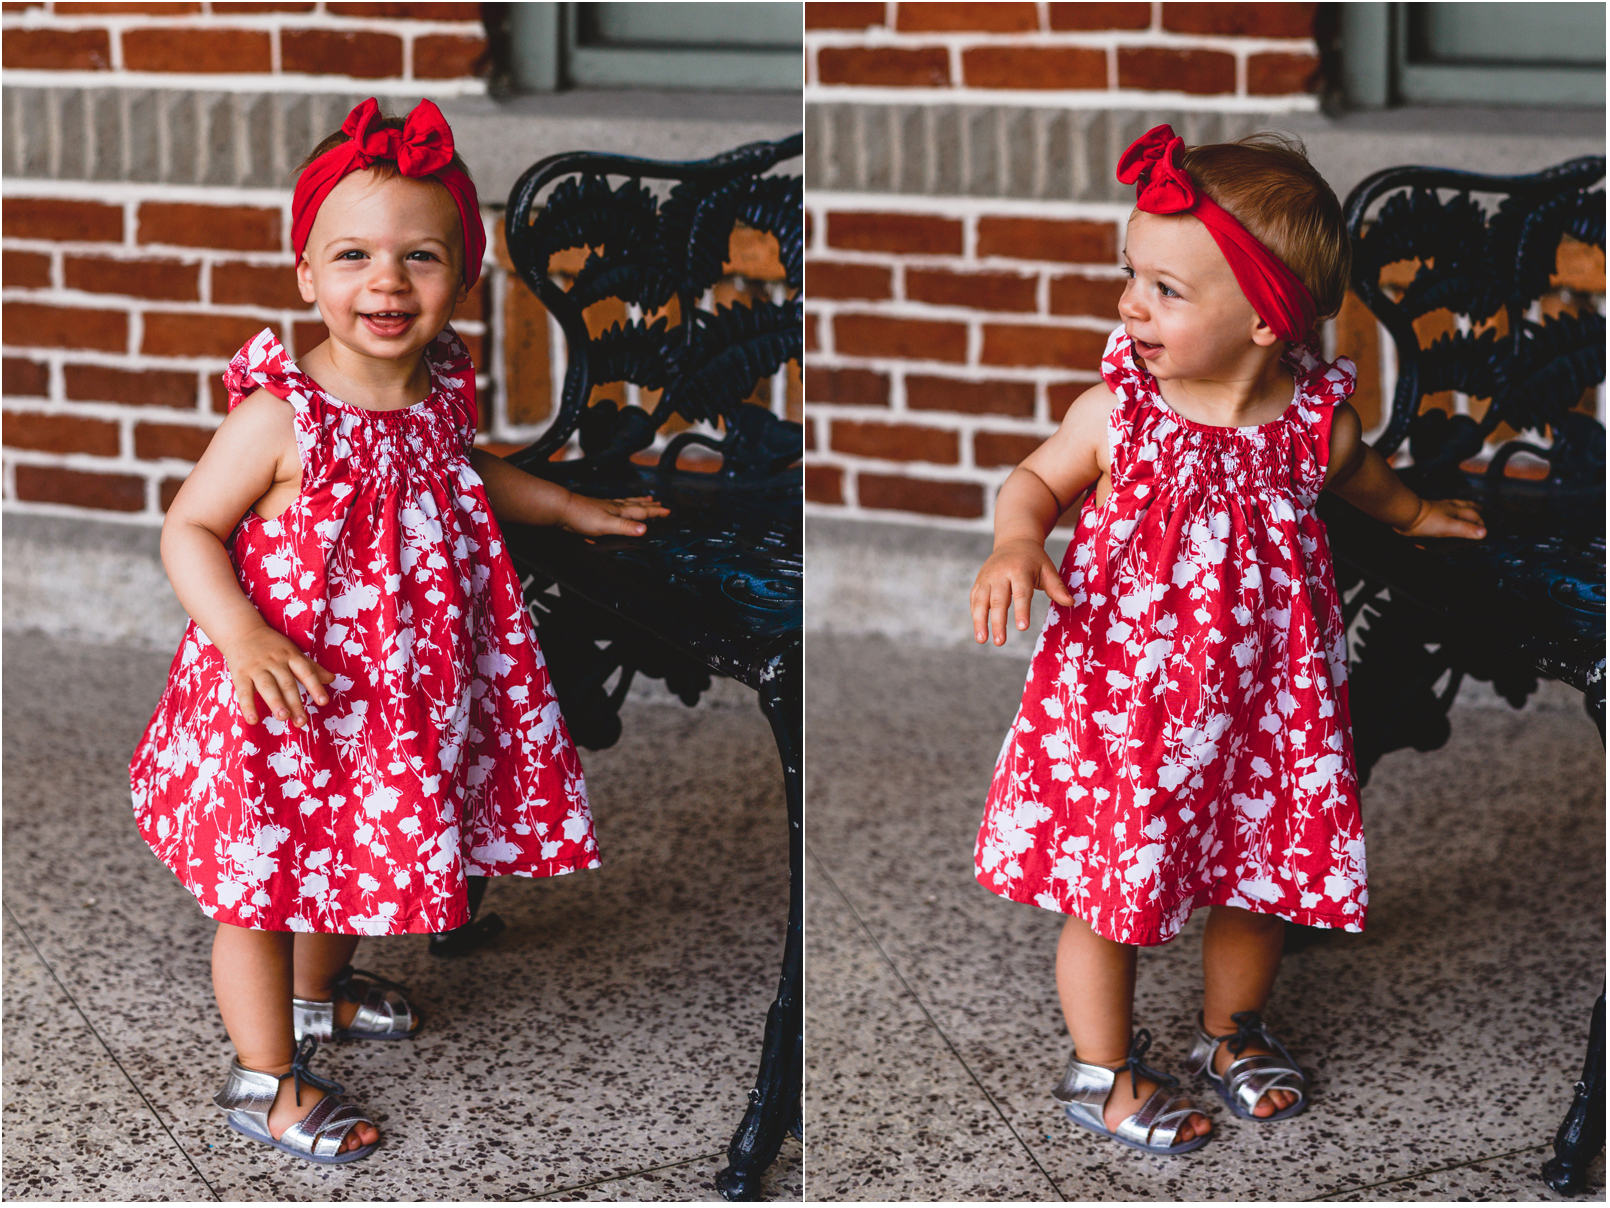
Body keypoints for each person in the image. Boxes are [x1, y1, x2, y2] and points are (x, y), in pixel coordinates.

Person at [128, 97, 667, 1164]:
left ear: (463, 277)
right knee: (266, 883)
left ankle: (319, 993)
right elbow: (188, 525)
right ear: (305, 275)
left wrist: (564, 506)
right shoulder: (280, 415)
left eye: (420, 256)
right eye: (353, 254)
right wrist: (239, 634)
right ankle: (262, 1076)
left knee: (351, 843)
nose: (386, 282)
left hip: (394, 694)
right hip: (282, 694)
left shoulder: (437, 390)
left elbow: (466, 472)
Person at [969, 125, 1485, 1155]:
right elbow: (1030, 479)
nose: (1128, 303)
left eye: (1164, 288)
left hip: (1266, 705)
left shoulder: (1311, 425)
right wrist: (1016, 542)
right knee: (1112, 885)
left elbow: (1367, 486)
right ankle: (1099, 1068)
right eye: (1130, 274)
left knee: (1259, 876)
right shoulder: (1120, 413)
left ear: (1263, 319)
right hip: (1129, 704)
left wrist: (1418, 515)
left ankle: (1229, 1033)